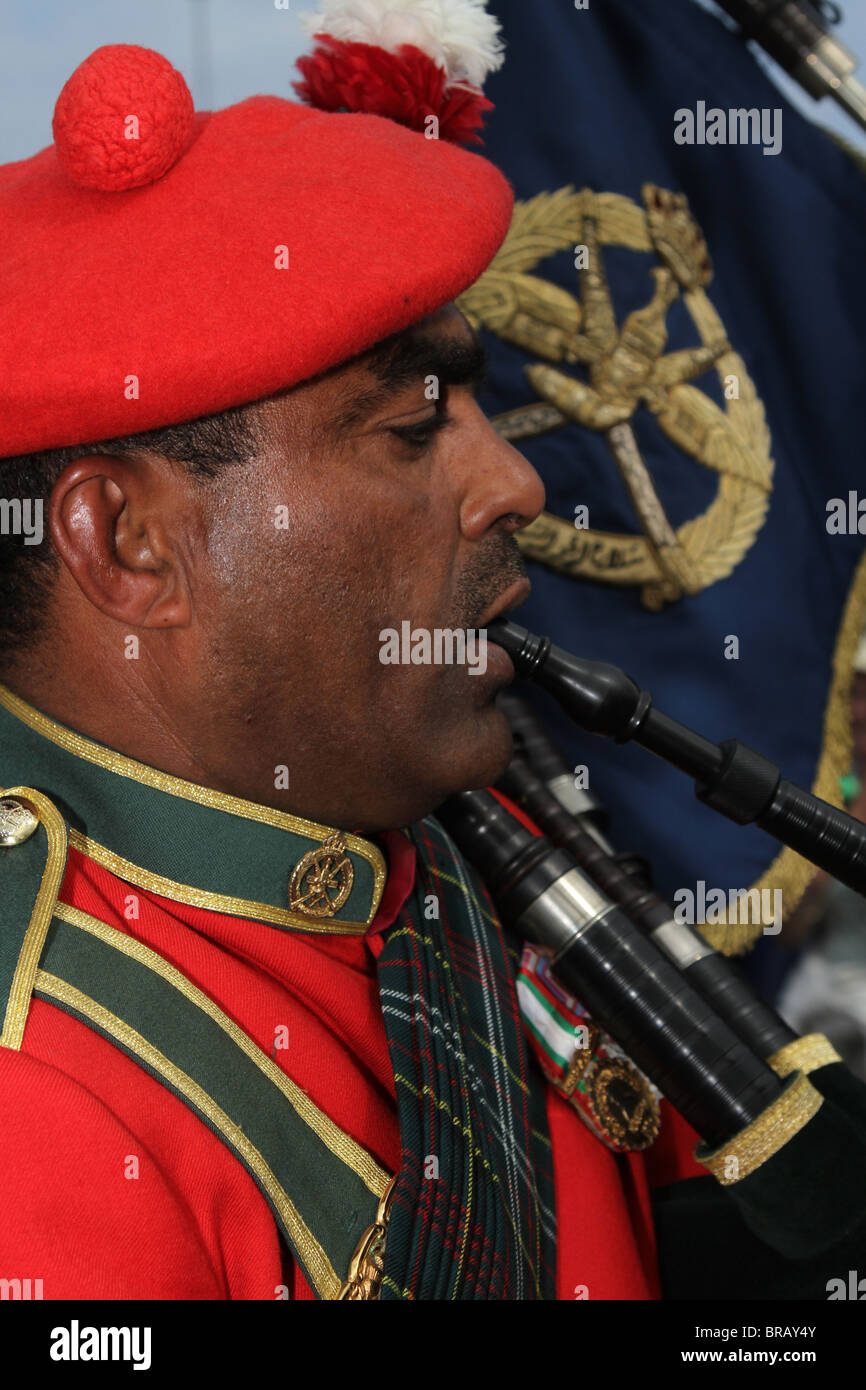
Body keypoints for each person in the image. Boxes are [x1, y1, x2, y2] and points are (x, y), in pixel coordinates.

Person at [1, 27, 857, 1305]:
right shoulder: (42, 1111)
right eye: (412, 427)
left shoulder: (453, 831)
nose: (513, 481)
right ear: (124, 545)